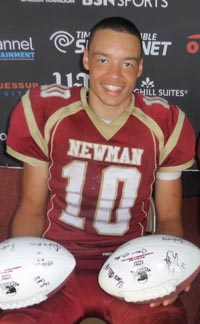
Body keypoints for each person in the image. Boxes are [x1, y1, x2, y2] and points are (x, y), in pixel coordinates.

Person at [1, 16, 195, 324]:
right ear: (87, 59)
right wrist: (25, 272)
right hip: (55, 260)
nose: (114, 75)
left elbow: (170, 216)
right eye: (104, 59)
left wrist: (170, 273)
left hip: (131, 264)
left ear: (141, 67)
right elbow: (31, 207)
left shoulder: (165, 122)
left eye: (127, 64)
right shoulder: (45, 110)